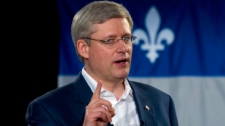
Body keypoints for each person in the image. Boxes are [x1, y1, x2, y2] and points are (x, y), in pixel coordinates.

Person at [25, 1, 179, 126]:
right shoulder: (48, 109)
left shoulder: (161, 102)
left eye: (126, 38)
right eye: (110, 41)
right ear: (84, 48)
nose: (123, 48)